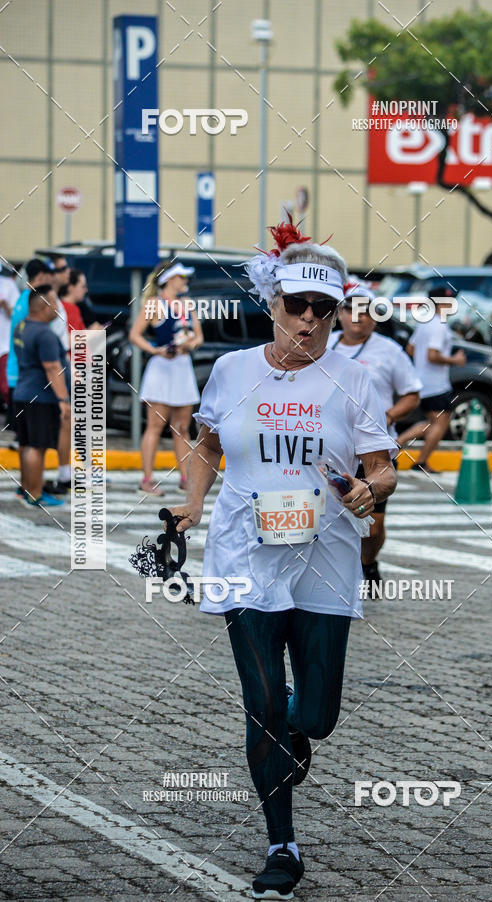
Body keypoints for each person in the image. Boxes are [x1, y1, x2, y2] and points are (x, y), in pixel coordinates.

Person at [168, 222, 397, 900]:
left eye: (323, 308)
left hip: (325, 557)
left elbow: (383, 469)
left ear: (337, 311)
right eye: (296, 303)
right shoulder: (233, 370)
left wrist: (366, 487)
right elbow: (208, 445)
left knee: (315, 714)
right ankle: (282, 844)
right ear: (272, 299)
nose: (309, 318)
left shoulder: (355, 378)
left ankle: (297, 733)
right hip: (246, 551)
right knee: (263, 704)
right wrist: (190, 506)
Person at [327, 280, 422, 590]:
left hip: (372, 448)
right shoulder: (323, 345)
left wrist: (387, 416)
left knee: (372, 525)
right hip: (330, 447)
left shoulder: (389, 351)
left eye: (366, 311)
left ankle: (368, 562)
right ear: (339, 314)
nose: (358, 317)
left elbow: (411, 394)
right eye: (351, 310)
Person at [129, 260, 204, 495]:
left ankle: (185, 477)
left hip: (182, 366)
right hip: (162, 366)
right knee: (154, 425)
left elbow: (199, 336)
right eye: (181, 277)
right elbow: (134, 334)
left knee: (182, 427)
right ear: (170, 279)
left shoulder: (187, 304)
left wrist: (190, 345)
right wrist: (155, 350)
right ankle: (147, 479)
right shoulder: (155, 304)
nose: (185, 282)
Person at [396, 289, 466, 474]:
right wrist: (455, 361)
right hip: (436, 384)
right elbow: (432, 355)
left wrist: (420, 366)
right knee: (440, 424)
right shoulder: (439, 326)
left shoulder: (425, 322)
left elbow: (411, 349)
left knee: (432, 422)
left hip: (423, 381)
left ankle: (398, 445)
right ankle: (418, 459)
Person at [12, 284, 70, 507]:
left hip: (22, 393)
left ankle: (28, 489)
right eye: (54, 303)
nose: (57, 308)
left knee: (27, 444)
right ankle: (36, 493)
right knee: (38, 446)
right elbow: (52, 368)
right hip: (41, 397)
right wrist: (64, 400)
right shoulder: (45, 334)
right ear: (44, 306)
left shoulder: (21, 327)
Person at [6, 259, 55, 444]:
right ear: (41, 276)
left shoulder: (21, 298)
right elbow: (35, 338)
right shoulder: (32, 302)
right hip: (26, 374)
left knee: (24, 437)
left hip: (16, 371)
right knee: (32, 440)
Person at [0, 267, 20, 410]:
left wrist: (5, 304)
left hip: (4, 344)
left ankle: (12, 413)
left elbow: (16, 313)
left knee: (5, 384)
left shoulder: (8, 285)